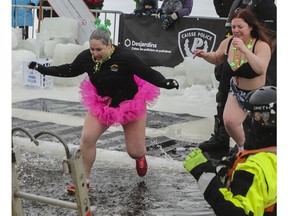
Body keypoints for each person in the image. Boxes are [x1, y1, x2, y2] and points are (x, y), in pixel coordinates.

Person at [27, 19, 179, 194]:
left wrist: (165, 82)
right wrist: (42, 69)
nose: (94, 53)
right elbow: (69, 69)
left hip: (130, 104)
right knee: (87, 139)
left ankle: (140, 157)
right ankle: (83, 181)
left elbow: (147, 72)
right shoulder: (86, 57)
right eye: (92, 49)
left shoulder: (124, 57)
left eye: (99, 49)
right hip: (103, 104)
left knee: (135, 152)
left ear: (109, 45)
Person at [183, 85, 277, 216]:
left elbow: (236, 212)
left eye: (253, 116)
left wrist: (205, 174)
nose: (248, 121)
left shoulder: (254, 168)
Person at [197, 0, 276, 153]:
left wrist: (245, 50)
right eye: (233, 27)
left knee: (262, 134)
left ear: (251, 27)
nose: (236, 30)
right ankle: (242, 149)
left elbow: (261, 68)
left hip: (257, 96)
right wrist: (204, 55)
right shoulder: (229, 42)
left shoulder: (261, 45)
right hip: (237, 91)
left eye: (240, 27)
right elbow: (217, 57)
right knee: (229, 122)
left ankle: (259, 154)